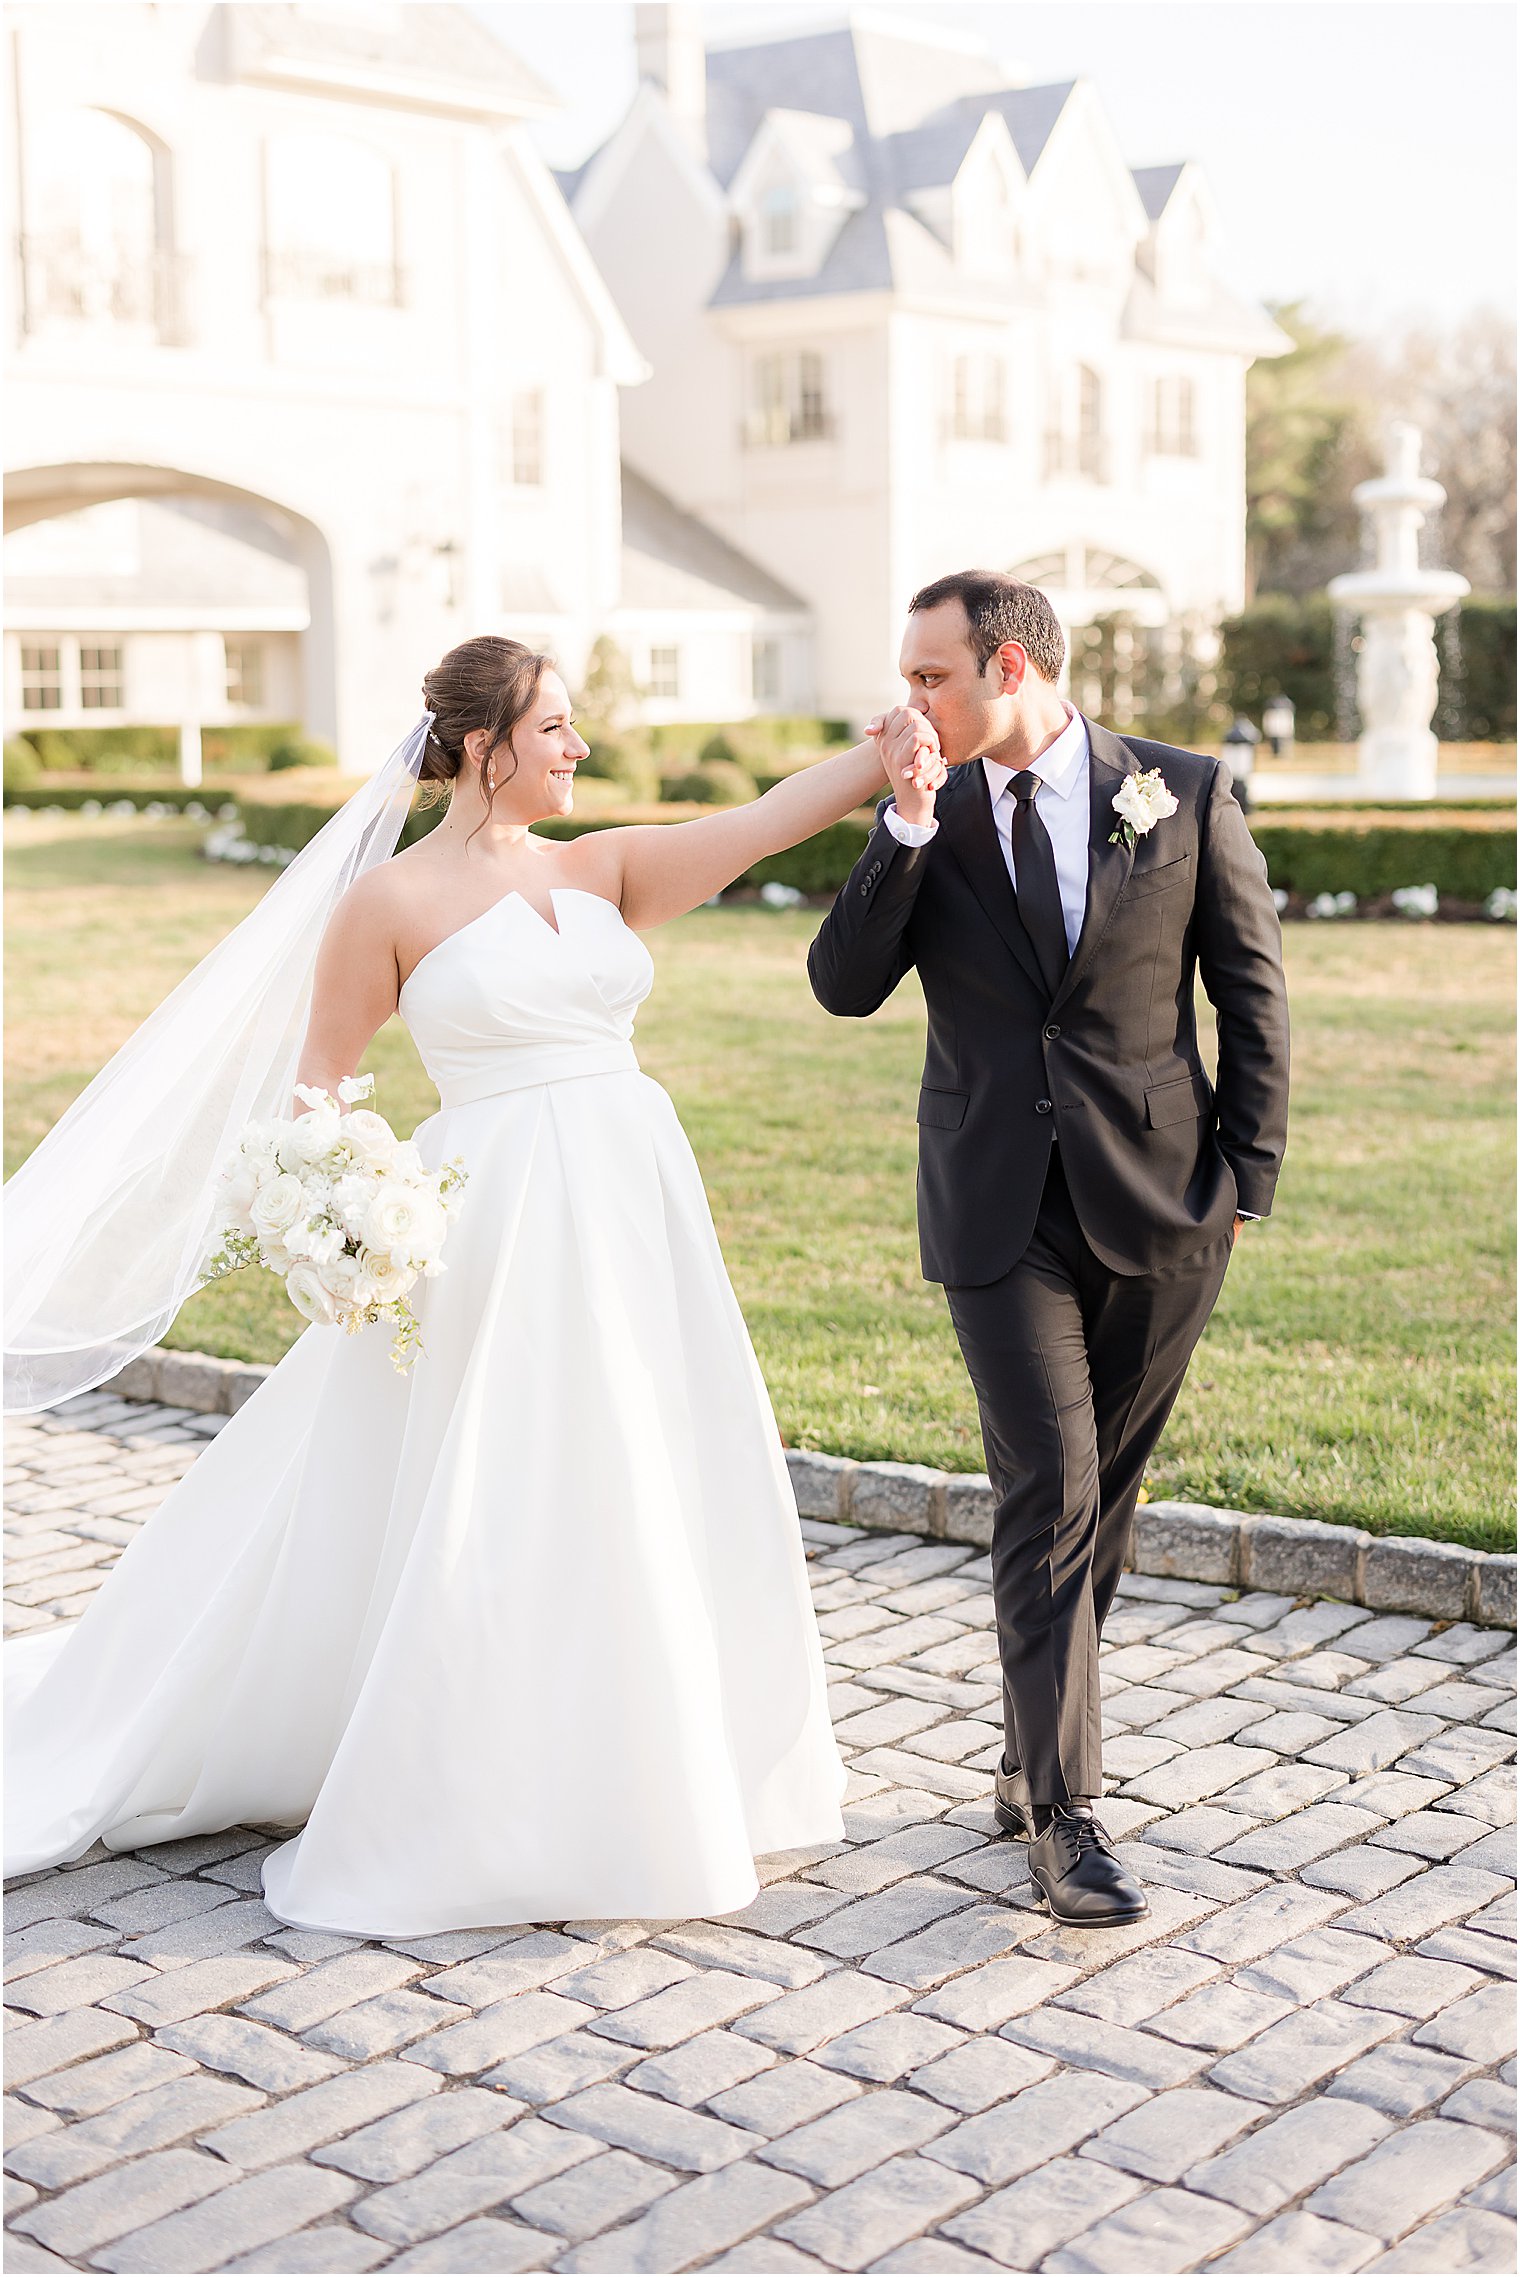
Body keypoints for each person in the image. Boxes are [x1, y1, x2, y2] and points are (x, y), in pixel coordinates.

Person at [4, 634, 946, 1937]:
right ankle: (473, 1774)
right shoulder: (385, 905)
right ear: (483, 744)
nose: (578, 748)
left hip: (633, 1206)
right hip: (487, 1223)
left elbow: (762, 819)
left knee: (641, 1460)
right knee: (502, 1481)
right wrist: (344, 1219)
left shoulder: (603, 867)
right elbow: (319, 1091)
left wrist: (882, 751)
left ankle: (655, 1751)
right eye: (555, 727)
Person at [808, 572, 1290, 1928]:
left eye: (929, 678)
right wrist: (898, 824)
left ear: (1007, 667)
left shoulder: (1179, 791)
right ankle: (1066, 1821)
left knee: (1107, 1499)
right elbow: (840, 984)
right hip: (994, 1208)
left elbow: (1251, 988)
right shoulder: (929, 811)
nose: (907, 703)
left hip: (1165, 1206)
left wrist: (1246, 1177)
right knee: (1052, 1488)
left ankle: (1031, 1744)